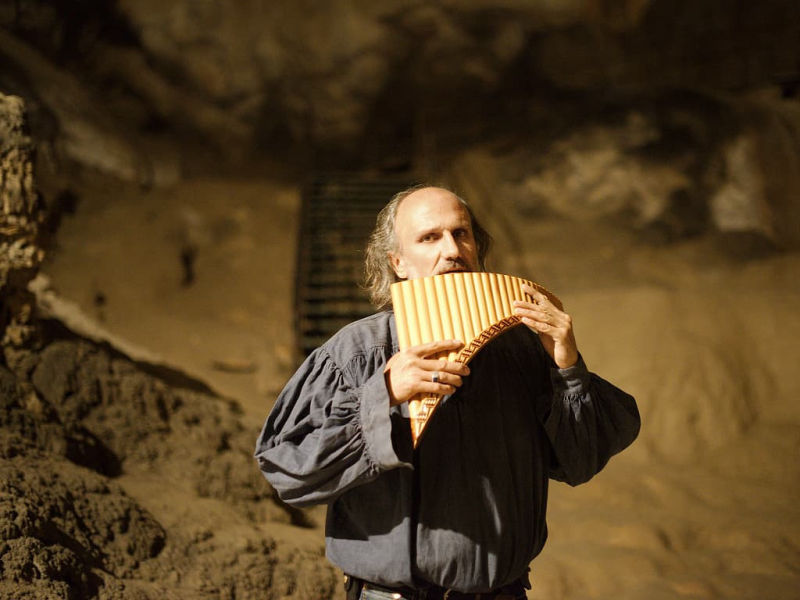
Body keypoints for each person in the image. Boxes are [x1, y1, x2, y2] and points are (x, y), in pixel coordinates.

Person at [255, 185, 640, 600]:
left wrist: (567, 366)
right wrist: (382, 394)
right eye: (429, 237)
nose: (452, 249)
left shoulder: (524, 349)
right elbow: (288, 471)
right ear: (398, 262)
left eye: (462, 234)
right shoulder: (354, 352)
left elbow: (579, 462)